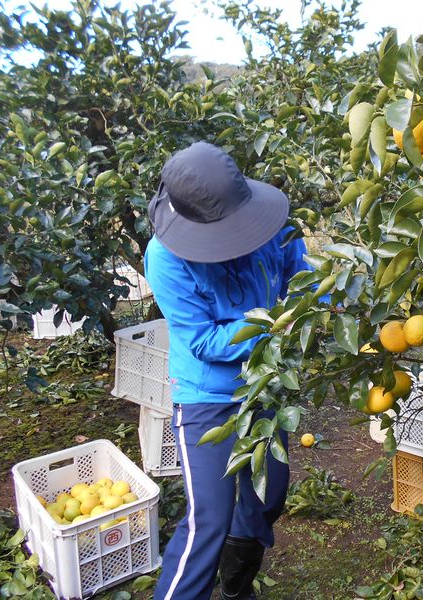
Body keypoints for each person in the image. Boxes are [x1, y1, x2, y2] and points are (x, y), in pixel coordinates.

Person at [144, 141, 308, 600]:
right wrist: (271, 324)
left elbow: (304, 278)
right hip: (207, 398)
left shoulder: (271, 227)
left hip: (263, 388)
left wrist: (326, 307)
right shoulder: (166, 257)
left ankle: (237, 587)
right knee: (208, 520)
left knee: (267, 497)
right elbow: (202, 340)